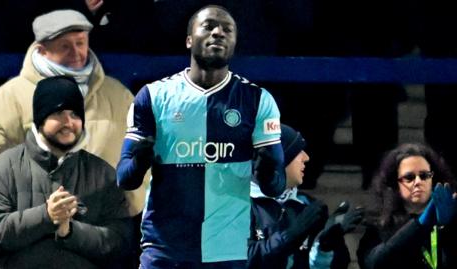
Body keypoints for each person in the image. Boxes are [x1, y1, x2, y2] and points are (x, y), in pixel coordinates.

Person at [116, 5, 286, 268]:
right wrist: (141, 161)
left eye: (227, 29)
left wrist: (265, 172)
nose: (218, 32)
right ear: (188, 39)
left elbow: (276, 186)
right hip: (165, 249)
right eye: (208, 26)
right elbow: (124, 179)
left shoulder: (258, 101)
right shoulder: (153, 97)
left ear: (234, 43)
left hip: (227, 250)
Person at [0, 76, 133, 269]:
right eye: (59, 113)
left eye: (75, 114)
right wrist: (46, 216)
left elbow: (120, 242)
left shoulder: (103, 173)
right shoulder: (3, 167)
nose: (68, 122)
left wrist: (70, 232)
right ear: (40, 118)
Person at [0, 9, 134, 182]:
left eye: (80, 43)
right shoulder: (11, 96)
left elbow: (140, 158)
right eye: (64, 46)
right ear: (42, 50)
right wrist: (29, 200)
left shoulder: (118, 94)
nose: (75, 53)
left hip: (109, 207)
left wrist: (133, 203)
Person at [248, 124, 364, 269]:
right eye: (297, 152)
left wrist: (325, 247)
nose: (306, 157)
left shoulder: (308, 205)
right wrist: (289, 236)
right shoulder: (236, 206)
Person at [357, 143, 457, 268]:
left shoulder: (449, 219)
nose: (418, 182)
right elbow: (375, 264)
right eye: (409, 177)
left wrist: (448, 228)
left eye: (424, 175)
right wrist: (419, 225)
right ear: (395, 185)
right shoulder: (379, 228)